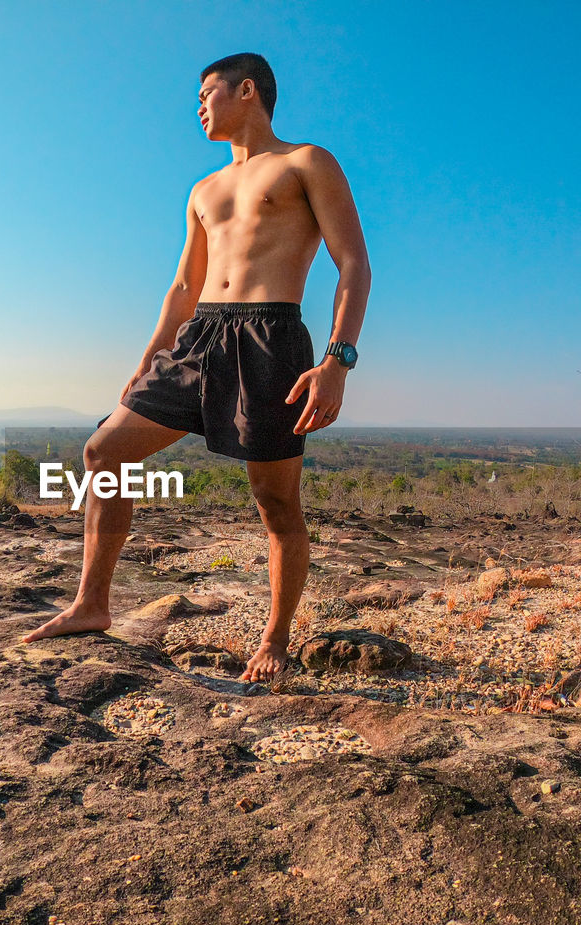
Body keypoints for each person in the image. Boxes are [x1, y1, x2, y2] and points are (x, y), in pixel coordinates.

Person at [21, 52, 371, 683]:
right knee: (103, 451)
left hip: (271, 339)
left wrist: (336, 362)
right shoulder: (203, 190)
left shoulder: (306, 162)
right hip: (200, 336)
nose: (199, 107)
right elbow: (183, 287)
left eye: (207, 94)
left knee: (275, 503)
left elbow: (354, 265)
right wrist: (150, 358)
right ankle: (91, 605)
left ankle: (275, 637)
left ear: (246, 91)